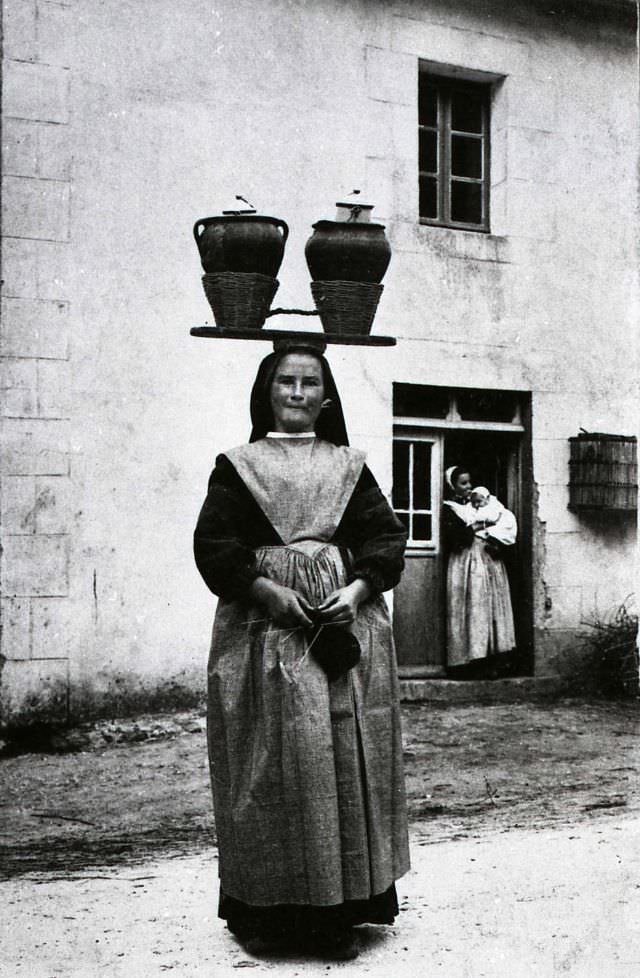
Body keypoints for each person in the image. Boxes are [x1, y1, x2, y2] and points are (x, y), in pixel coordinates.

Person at [193, 341, 410, 960]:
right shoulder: (237, 466)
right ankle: (268, 912)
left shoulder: (349, 467)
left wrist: (359, 588)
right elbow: (214, 546)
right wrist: (267, 591)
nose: (297, 393)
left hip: (343, 630)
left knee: (340, 758)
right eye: (285, 381)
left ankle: (338, 912)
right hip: (264, 638)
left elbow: (384, 537)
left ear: (327, 396)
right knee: (272, 761)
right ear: (267, 391)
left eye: (310, 383)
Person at [442, 466, 517, 675]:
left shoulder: (484, 502)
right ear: (452, 486)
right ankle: (469, 661)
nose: (468, 487)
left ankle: (493, 658)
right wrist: (477, 527)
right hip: (465, 562)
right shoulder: (450, 508)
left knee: (489, 606)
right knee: (471, 607)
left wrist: (493, 536)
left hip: (488, 560)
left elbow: (502, 521)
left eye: (469, 483)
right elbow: (457, 538)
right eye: (463, 483)